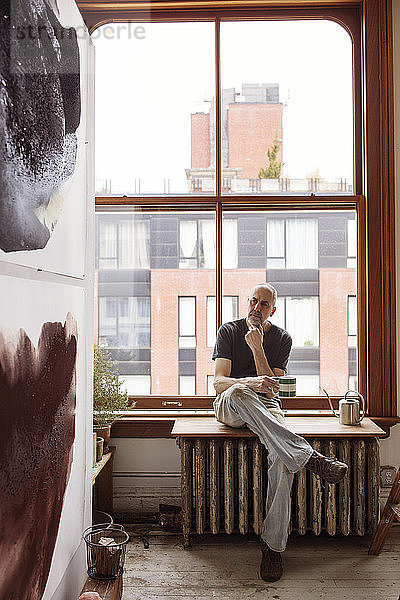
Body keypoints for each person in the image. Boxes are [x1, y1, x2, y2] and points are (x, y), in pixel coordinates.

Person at [212, 283, 348, 582]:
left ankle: (272, 547)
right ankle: (309, 456)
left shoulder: (282, 339)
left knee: (283, 461)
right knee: (238, 392)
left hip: (268, 409)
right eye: (253, 301)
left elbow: (273, 388)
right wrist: (248, 383)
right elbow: (219, 382)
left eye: (263, 304)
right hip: (233, 405)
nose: (256, 308)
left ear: (272, 310)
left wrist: (257, 347)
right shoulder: (229, 331)